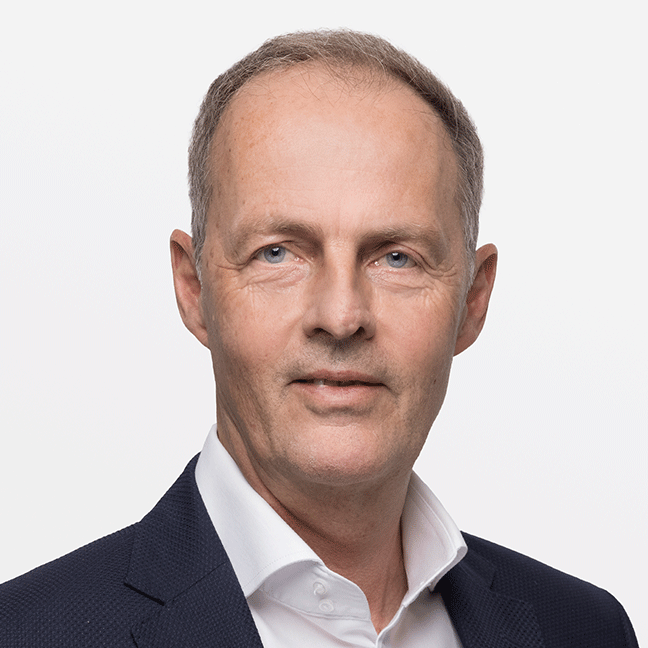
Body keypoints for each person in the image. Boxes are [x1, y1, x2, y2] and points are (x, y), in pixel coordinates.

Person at [0, 29, 638, 648]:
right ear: (194, 290)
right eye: (278, 253)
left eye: (396, 258)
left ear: (473, 300)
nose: (340, 315)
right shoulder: (26, 633)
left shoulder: (585, 630)